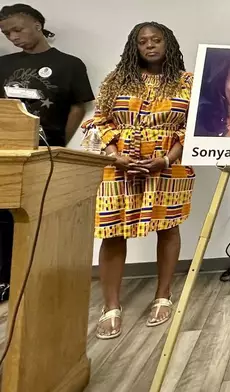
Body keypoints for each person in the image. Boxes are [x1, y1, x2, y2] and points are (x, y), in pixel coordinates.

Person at [83, 22, 196, 340]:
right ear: (134, 47)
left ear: (168, 43)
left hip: (168, 168)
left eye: (156, 40)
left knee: (168, 227)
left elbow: (193, 126)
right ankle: (111, 306)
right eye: (142, 41)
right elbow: (99, 119)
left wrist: (166, 159)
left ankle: (163, 294)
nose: (149, 45)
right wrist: (113, 153)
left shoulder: (187, 82)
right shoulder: (115, 80)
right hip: (119, 166)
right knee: (112, 231)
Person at [0, 3, 94, 302]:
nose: (13, 37)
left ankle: (40, 278)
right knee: (4, 216)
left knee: (43, 215)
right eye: (6, 33)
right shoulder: (3, 64)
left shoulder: (70, 64)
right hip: (8, 151)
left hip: (46, 152)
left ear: (37, 25)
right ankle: (6, 280)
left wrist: (60, 142)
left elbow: (80, 104)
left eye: (17, 29)